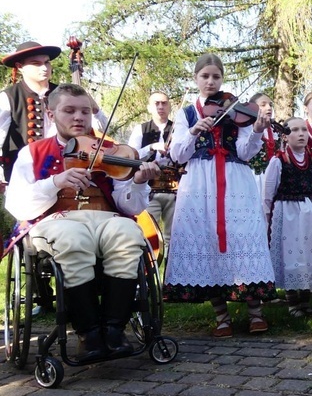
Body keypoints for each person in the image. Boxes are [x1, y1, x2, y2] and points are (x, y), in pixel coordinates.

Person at [5, 83, 161, 362]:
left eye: (85, 111)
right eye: (69, 110)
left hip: (106, 217)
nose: (78, 117)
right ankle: (88, 334)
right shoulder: (33, 152)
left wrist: (137, 182)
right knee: (72, 239)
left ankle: (114, 330)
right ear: (51, 115)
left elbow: (131, 207)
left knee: (128, 233)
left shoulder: (109, 151)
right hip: (56, 219)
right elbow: (17, 204)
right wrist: (55, 182)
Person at [163, 53, 277, 337]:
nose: (211, 81)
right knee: (206, 238)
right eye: (205, 76)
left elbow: (246, 153)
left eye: (216, 76)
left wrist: (256, 132)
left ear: (222, 78)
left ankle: (255, 313)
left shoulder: (236, 111)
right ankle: (221, 317)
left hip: (235, 181)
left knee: (242, 236)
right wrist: (192, 132)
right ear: (196, 79)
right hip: (199, 184)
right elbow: (177, 154)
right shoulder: (187, 112)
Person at [0, 41, 108, 184]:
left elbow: (100, 131)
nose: (44, 68)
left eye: (46, 62)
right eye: (36, 63)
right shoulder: (9, 97)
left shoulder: (64, 94)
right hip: (25, 173)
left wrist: (95, 110)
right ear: (20, 67)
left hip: (67, 168)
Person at [263, 117, 312, 317]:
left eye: (304, 129)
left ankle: (305, 300)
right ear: (285, 136)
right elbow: (268, 193)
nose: (301, 134)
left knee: (310, 254)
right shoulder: (279, 160)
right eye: (295, 130)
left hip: (309, 212)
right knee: (292, 256)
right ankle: (293, 303)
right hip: (288, 214)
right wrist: (267, 218)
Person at [127, 91, 180, 247]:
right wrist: (151, 147)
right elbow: (131, 156)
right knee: (149, 235)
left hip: (175, 189)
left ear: (169, 106)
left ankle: (172, 271)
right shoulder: (141, 129)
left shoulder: (178, 128)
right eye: (156, 103)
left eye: (164, 103)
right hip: (150, 190)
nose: (160, 107)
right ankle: (151, 269)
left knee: (173, 238)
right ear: (149, 108)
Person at [247, 93, 279, 194]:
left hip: (273, 178)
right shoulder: (248, 128)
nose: (269, 108)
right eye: (263, 105)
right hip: (254, 177)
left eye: (270, 105)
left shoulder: (275, 130)